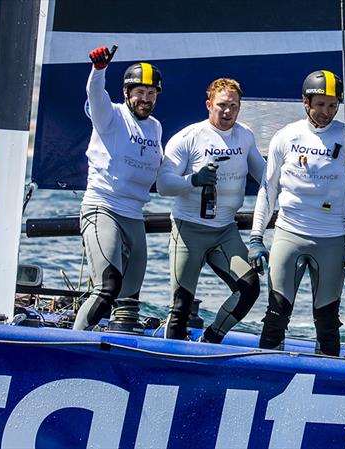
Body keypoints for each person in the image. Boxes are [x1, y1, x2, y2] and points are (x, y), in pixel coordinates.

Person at [249, 70, 345, 356]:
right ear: (306, 102)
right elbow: (268, 190)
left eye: (332, 105)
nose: (326, 112)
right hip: (287, 234)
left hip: (331, 238)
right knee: (277, 313)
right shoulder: (286, 136)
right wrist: (256, 237)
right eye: (320, 105)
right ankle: (264, 377)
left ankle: (329, 383)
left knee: (327, 321)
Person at [157, 78, 265, 342]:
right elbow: (163, 184)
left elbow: (266, 177)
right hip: (188, 229)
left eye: (234, 106)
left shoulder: (245, 136)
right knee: (181, 305)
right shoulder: (189, 137)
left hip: (224, 231)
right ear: (209, 105)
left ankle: (211, 338)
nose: (228, 112)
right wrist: (193, 179)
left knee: (249, 288)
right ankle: (171, 362)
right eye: (222, 106)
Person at [74, 46, 163, 330]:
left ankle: (117, 354)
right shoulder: (110, 115)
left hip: (134, 215)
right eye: (140, 92)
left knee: (129, 299)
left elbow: (161, 172)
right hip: (103, 207)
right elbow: (95, 94)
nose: (145, 99)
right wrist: (98, 70)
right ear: (126, 93)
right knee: (107, 287)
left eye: (151, 93)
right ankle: (71, 348)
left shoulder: (156, 128)